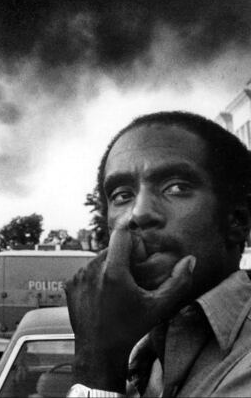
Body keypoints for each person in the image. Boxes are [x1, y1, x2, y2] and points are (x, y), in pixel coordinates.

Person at [65, 111, 251, 397]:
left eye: (176, 188)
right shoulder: (144, 344)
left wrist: (97, 364)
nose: (138, 213)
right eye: (122, 195)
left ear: (237, 221)